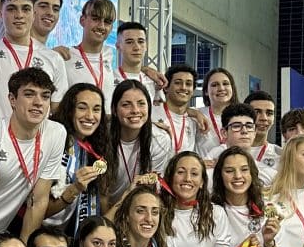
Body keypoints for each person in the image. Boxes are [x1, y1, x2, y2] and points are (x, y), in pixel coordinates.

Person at [0, 67, 66, 239]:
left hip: (1, 232)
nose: (38, 102)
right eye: (29, 94)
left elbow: (38, 202)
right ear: (12, 99)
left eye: (45, 96)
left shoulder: (56, 133)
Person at [0, 0, 67, 121]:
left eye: (26, 9)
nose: (19, 15)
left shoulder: (53, 58)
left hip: (35, 140)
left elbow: (57, 110)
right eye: (11, 9)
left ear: (34, 14)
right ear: (0, 13)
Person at [44, 83, 115, 236]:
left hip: (69, 234)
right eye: (82, 107)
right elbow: (37, 207)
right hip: (38, 229)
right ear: (69, 110)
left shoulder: (98, 149)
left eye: (96, 109)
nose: (90, 116)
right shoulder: (53, 139)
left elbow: (102, 201)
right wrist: (74, 189)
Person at [158, 151, 233, 247]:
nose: (187, 178)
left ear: (202, 182)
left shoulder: (215, 214)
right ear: (170, 177)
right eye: (181, 172)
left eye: (194, 174)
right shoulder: (155, 212)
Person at [108, 80, 173, 211]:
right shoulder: (103, 139)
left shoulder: (159, 140)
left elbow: (150, 189)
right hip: (105, 209)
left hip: (137, 209)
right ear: (114, 110)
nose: (135, 110)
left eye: (141, 104)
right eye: (126, 105)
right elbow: (101, 194)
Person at [59, 0, 116, 108]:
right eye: (95, 19)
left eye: (107, 22)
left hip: (105, 124)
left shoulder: (109, 54)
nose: (101, 26)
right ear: (82, 20)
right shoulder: (66, 56)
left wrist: (146, 70)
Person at [207, 103, 277, 185]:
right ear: (224, 133)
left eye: (249, 126)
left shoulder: (271, 176)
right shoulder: (208, 175)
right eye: (236, 126)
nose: (244, 131)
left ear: (254, 132)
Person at [212, 146, 267, 247]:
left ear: (252, 173)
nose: (237, 176)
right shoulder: (210, 211)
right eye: (229, 171)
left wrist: (269, 243)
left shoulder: (267, 207)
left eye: (244, 170)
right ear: (220, 176)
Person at [151, 65, 209, 156]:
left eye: (188, 84)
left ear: (193, 90)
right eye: (178, 83)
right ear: (166, 87)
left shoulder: (194, 121)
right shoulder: (151, 112)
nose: (183, 87)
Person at [112, 22, 163, 102]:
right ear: (118, 46)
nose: (136, 47)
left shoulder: (154, 82)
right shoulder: (109, 78)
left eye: (141, 41)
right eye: (129, 42)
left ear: (146, 46)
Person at [198, 67, 239, 153]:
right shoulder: (198, 115)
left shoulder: (242, 117)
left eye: (225, 84)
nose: (221, 88)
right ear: (206, 91)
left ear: (232, 88)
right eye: (214, 85)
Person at [245, 90, 280, 169]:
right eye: (257, 112)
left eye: (269, 113)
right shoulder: (227, 151)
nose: (264, 118)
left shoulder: (280, 155)